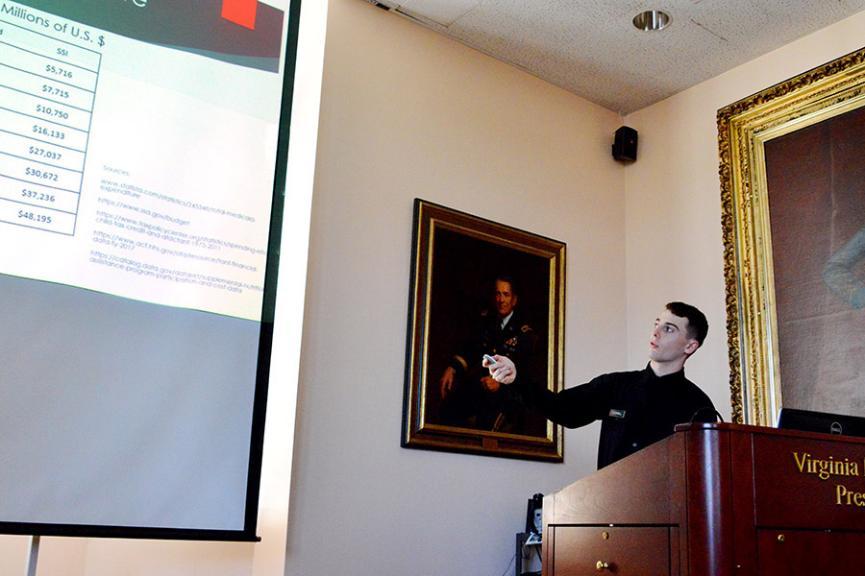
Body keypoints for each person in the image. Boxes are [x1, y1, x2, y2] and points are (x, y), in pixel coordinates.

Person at [485, 301, 716, 468]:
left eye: (668, 329)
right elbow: (562, 409)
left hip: (670, 524)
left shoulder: (699, 406)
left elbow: (701, 473)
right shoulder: (614, 385)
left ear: (690, 346)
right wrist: (518, 379)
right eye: (657, 324)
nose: (655, 332)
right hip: (612, 518)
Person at [437, 275, 539, 432]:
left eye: (506, 295)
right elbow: (471, 349)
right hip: (482, 388)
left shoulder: (524, 333)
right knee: (445, 415)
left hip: (508, 399)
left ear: (514, 300)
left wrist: (500, 385)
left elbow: (525, 375)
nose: (501, 300)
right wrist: (452, 368)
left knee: (486, 431)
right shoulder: (486, 321)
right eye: (498, 294)